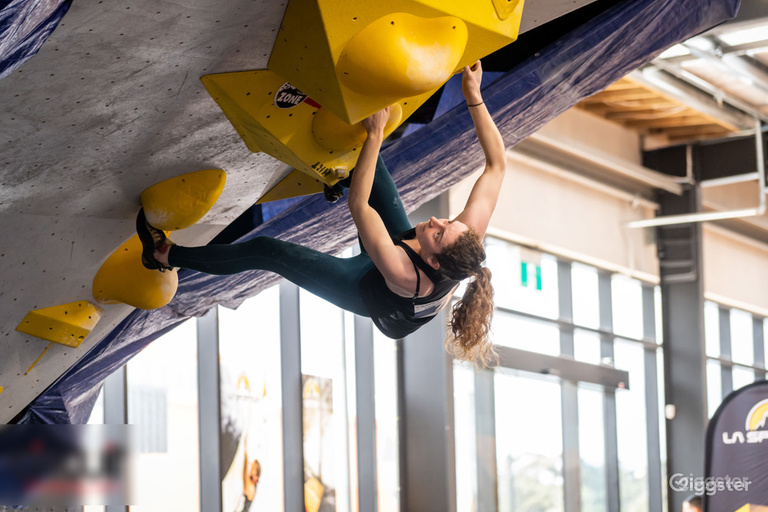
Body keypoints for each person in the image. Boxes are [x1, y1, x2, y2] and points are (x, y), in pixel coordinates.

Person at [137, 60, 506, 363]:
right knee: (371, 168)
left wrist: (376, 136)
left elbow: (358, 207)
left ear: (435, 260)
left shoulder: (404, 272)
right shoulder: (461, 236)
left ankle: (163, 255)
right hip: (401, 254)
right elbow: (496, 165)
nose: (437, 221)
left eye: (438, 233)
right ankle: (336, 170)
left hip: (366, 290)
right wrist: (473, 95)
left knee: (270, 251)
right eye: (449, 223)